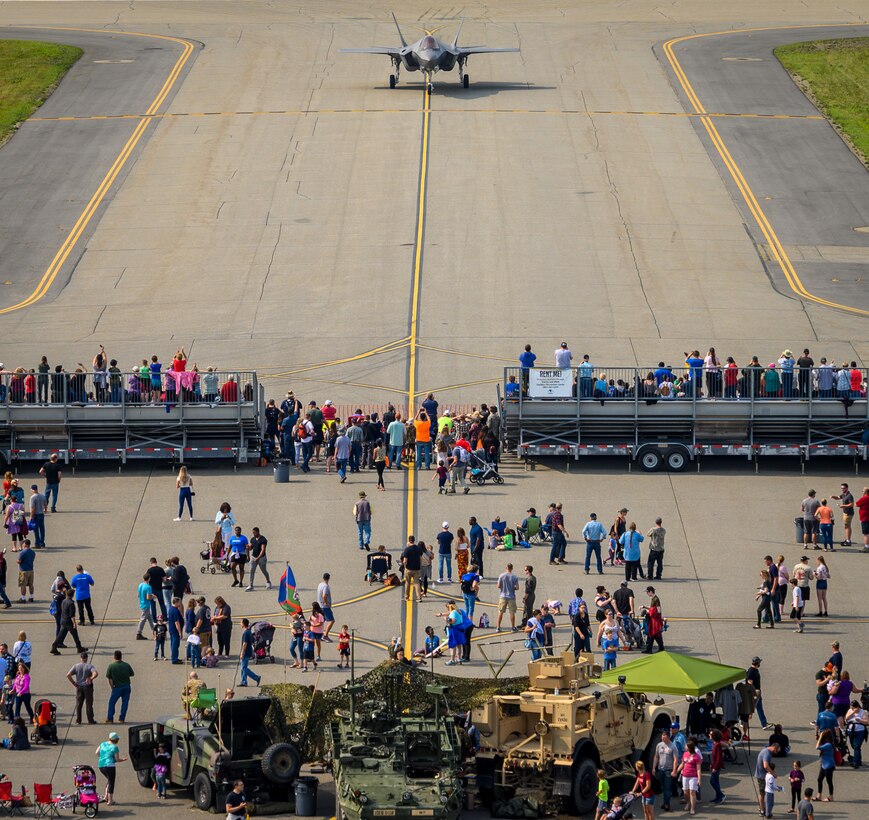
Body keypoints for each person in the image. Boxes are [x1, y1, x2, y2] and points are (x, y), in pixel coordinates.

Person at [52, 589, 87, 654]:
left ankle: (54, 646)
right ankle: (79, 648)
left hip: (63, 621)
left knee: (60, 635)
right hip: (69, 622)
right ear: (73, 595)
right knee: (75, 635)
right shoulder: (71, 603)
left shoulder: (64, 601)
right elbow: (72, 615)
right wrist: (74, 623)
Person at [67, 651, 98, 724]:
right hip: (88, 687)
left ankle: (78, 720)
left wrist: (73, 683)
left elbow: (68, 675)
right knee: (89, 704)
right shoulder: (90, 666)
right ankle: (90, 720)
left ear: (81, 658)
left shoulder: (76, 666)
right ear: (87, 658)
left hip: (79, 687)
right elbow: (95, 673)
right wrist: (91, 678)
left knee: (78, 704)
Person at [96, 731, 126, 806]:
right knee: (111, 782)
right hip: (110, 766)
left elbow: (96, 753)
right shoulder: (115, 747)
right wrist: (123, 759)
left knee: (109, 780)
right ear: (116, 740)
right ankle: (110, 800)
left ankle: (106, 797)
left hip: (101, 765)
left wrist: (103, 757)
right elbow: (116, 759)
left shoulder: (102, 744)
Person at [675, 739, 702, 816]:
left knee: (692, 792)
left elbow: (698, 769)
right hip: (685, 776)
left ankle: (692, 808)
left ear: (689, 747)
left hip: (693, 776)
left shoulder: (697, 756)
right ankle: (688, 802)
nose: (685, 747)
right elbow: (682, 764)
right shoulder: (685, 754)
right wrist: (676, 771)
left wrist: (699, 779)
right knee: (685, 792)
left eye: (686, 746)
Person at [105, 650, 134, 724]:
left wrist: (112, 687)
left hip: (117, 687)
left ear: (114, 657)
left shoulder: (111, 666)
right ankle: (122, 718)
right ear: (121, 656)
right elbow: (132, 674)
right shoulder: (126, 665)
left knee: (112, 703)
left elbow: (110, 678)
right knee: (125, 703)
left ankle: (110, 718)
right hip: (126, 687)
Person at [755, 742, 780, 814]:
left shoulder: (766, 750)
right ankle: (762, 810)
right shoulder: (767, 753)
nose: (776, 753)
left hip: (762, 775)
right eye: (777, 751)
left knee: (763, 793)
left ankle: (762, 807)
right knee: (762, 793)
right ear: (774, 748)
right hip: (761, 776)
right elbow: (765, 765)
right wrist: (773, 773)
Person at [496, 563, 519, 632]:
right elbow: (517, 587)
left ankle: (498, 627)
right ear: (512, 568)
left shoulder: (501, 575)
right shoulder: (515, 577)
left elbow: (498, 586)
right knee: (512, 612)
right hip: (511, 596)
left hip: (503, 596)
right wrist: (513, 587)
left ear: (506, 568)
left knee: (500, 612)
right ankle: (513, 627)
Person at [238, 618, 261, 687]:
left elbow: (245, 643)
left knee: (244, 668)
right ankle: (244, 681)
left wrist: (242, 652)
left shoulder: (245, 633)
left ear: (243, 624)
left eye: (241, 622)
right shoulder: (249, 632)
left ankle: (256, 677)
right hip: (248, 652)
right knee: (243, 667)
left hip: (246, 652)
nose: (240, 623)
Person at [845, 699, 868, 768]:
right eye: (851, 707)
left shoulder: (863, 712)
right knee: (853, 746)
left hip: (860, 731)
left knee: (856, 746)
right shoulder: (850, 710)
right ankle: (858, 760)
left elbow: (867, 721)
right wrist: (852, 713)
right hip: (851, 730)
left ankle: (856, 762)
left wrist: (860, 720)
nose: (852, 708)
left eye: (853, 707)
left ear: (857, 707)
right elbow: (846, 718)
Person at [815, 729, 836, 802]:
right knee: (819, 779)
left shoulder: (828, 745)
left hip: (828, 765)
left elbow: (817, 747)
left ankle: (831, 796)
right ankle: (819, 795)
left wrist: (820, 737)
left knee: (829, 781)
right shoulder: (827, 743)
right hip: (824, 764)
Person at [830, 482, 854, 547]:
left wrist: (843, 506)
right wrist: (833, 497)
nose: (842, 489)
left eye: (843, 488)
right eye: (841, 488)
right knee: (846, 526)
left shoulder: (849, 496)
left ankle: (848, 540)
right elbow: (838, 497)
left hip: (849, 513)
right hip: (845, 513)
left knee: (847, 526)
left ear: (847, 488)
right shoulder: (844, 494)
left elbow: (851, 504)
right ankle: (847, 539)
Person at [401, 536, 423, 602]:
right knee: (417, 583)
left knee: (407, 583)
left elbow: (405, 561)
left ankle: (406, 597)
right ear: (414, 540)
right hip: (417, 568)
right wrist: (420, 566)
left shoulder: (407, 549)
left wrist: (405, 567)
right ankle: (419, 598)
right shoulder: (419, 549)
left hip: (409, 569)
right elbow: (420, 558)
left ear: (409, 540)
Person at [709, 729, 726, 805]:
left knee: (712, 781)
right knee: (716, 781)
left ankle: (721, 795)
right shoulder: (715, 744)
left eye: (710, 734)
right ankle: (718, 797)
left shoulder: (717, 745)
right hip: (714, 765)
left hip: (716, 767)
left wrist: (715, 768)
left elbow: (719, 758)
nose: (709, 735)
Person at [317, 573, 335, 640]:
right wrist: (326, 603)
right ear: (328, 578)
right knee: (331, 620)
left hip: (319, 605)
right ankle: (325, 635)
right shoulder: (325, 586)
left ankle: (320, 634)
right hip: (324, 606)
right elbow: (324, 595)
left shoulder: (320, 584)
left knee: (322, 620)